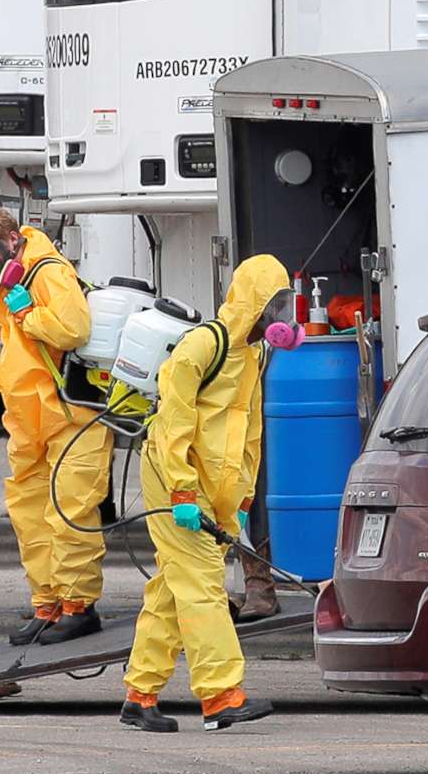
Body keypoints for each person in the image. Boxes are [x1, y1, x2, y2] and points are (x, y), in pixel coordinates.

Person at [119, 254, 297, 734]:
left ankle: (140, 694)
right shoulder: (204, 346)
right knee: (202, 586)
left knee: (173, 586)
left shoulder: (255, 354)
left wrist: (239, 501)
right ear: (253, 304)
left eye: (285, 304)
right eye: (275, 305)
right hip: (173, 478)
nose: (282, 316)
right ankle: (221, 697)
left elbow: (250, 431)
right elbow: (174, 423)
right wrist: (181, 491)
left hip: (212, 487)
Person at [0, 205, 110, 646]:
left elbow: (74, 330)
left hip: (71, 411)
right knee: (29, 511)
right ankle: (48, 604)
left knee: (71, 508)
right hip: (29, 414)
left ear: (12, 243)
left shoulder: (47, 272)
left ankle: (79, 606)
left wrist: (28, 314)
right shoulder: (10, 280)